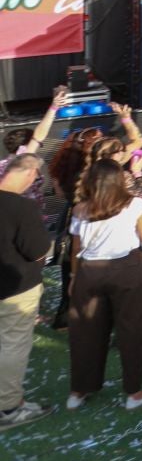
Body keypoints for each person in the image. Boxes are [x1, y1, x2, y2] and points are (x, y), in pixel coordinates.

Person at [66, 157, 142, 411]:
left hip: (89, 271)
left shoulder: (80, 209)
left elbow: (76, 247)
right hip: (125, 270)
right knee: (131, 332)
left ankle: (79, 390)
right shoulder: (135, 205)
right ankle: (134, 393)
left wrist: (75, 277)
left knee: (85, 332)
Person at [0, 153, 52, 429]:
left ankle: (11, 401)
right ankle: (7, 408)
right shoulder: (22, 207)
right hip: (15, 289)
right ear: (30, 174)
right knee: (12, 345)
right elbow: (37, 251)